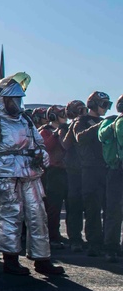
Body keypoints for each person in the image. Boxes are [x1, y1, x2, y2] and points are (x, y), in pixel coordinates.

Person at [0, 77, 64, 276]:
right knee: (11, 216)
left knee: (38, 216)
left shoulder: (25, 120)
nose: (17, 104)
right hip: (6, 176)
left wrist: (43, 155)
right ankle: (10, 259)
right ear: (1, 100)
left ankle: (42, 259)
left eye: (18, 100)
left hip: (30, 173)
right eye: (13, 99)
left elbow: (38, 143)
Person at [69, 91, 110, 257]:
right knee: (92, 208)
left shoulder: (106, 121)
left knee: (109, 207)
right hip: (88, 169)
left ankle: (107, 242)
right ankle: (93, 242)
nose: (106, 108)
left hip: (106, 168)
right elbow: (79, 138)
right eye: (104, 105)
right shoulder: (81, 121)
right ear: (93, 104)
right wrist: (99, 126)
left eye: (108, 105)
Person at [40, 105, 69, 248]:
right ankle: (51, 235)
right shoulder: (44, 131)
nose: (65, 116)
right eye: (61, 114)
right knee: (53, 205)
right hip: (51, 171)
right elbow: (46, 146)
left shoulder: (66, 129)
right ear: (52, 116)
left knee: (61, 204)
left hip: (65, 170)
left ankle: (57, 233)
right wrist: (56, 134)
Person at [98, 95, 123, 263]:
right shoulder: (112, 122)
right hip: (116, 171)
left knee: (113, 211)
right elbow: (101, 136)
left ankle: (113, 248)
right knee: (113, 211)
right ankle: (111, 247)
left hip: (116, 172)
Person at [63, 99, 87, 251]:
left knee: (89, 205)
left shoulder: (88, 123)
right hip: (73, 171)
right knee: (74, 205)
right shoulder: (67, 127)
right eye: (79, 110)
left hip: (86, 169)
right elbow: (65, 144)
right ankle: (75, 238)